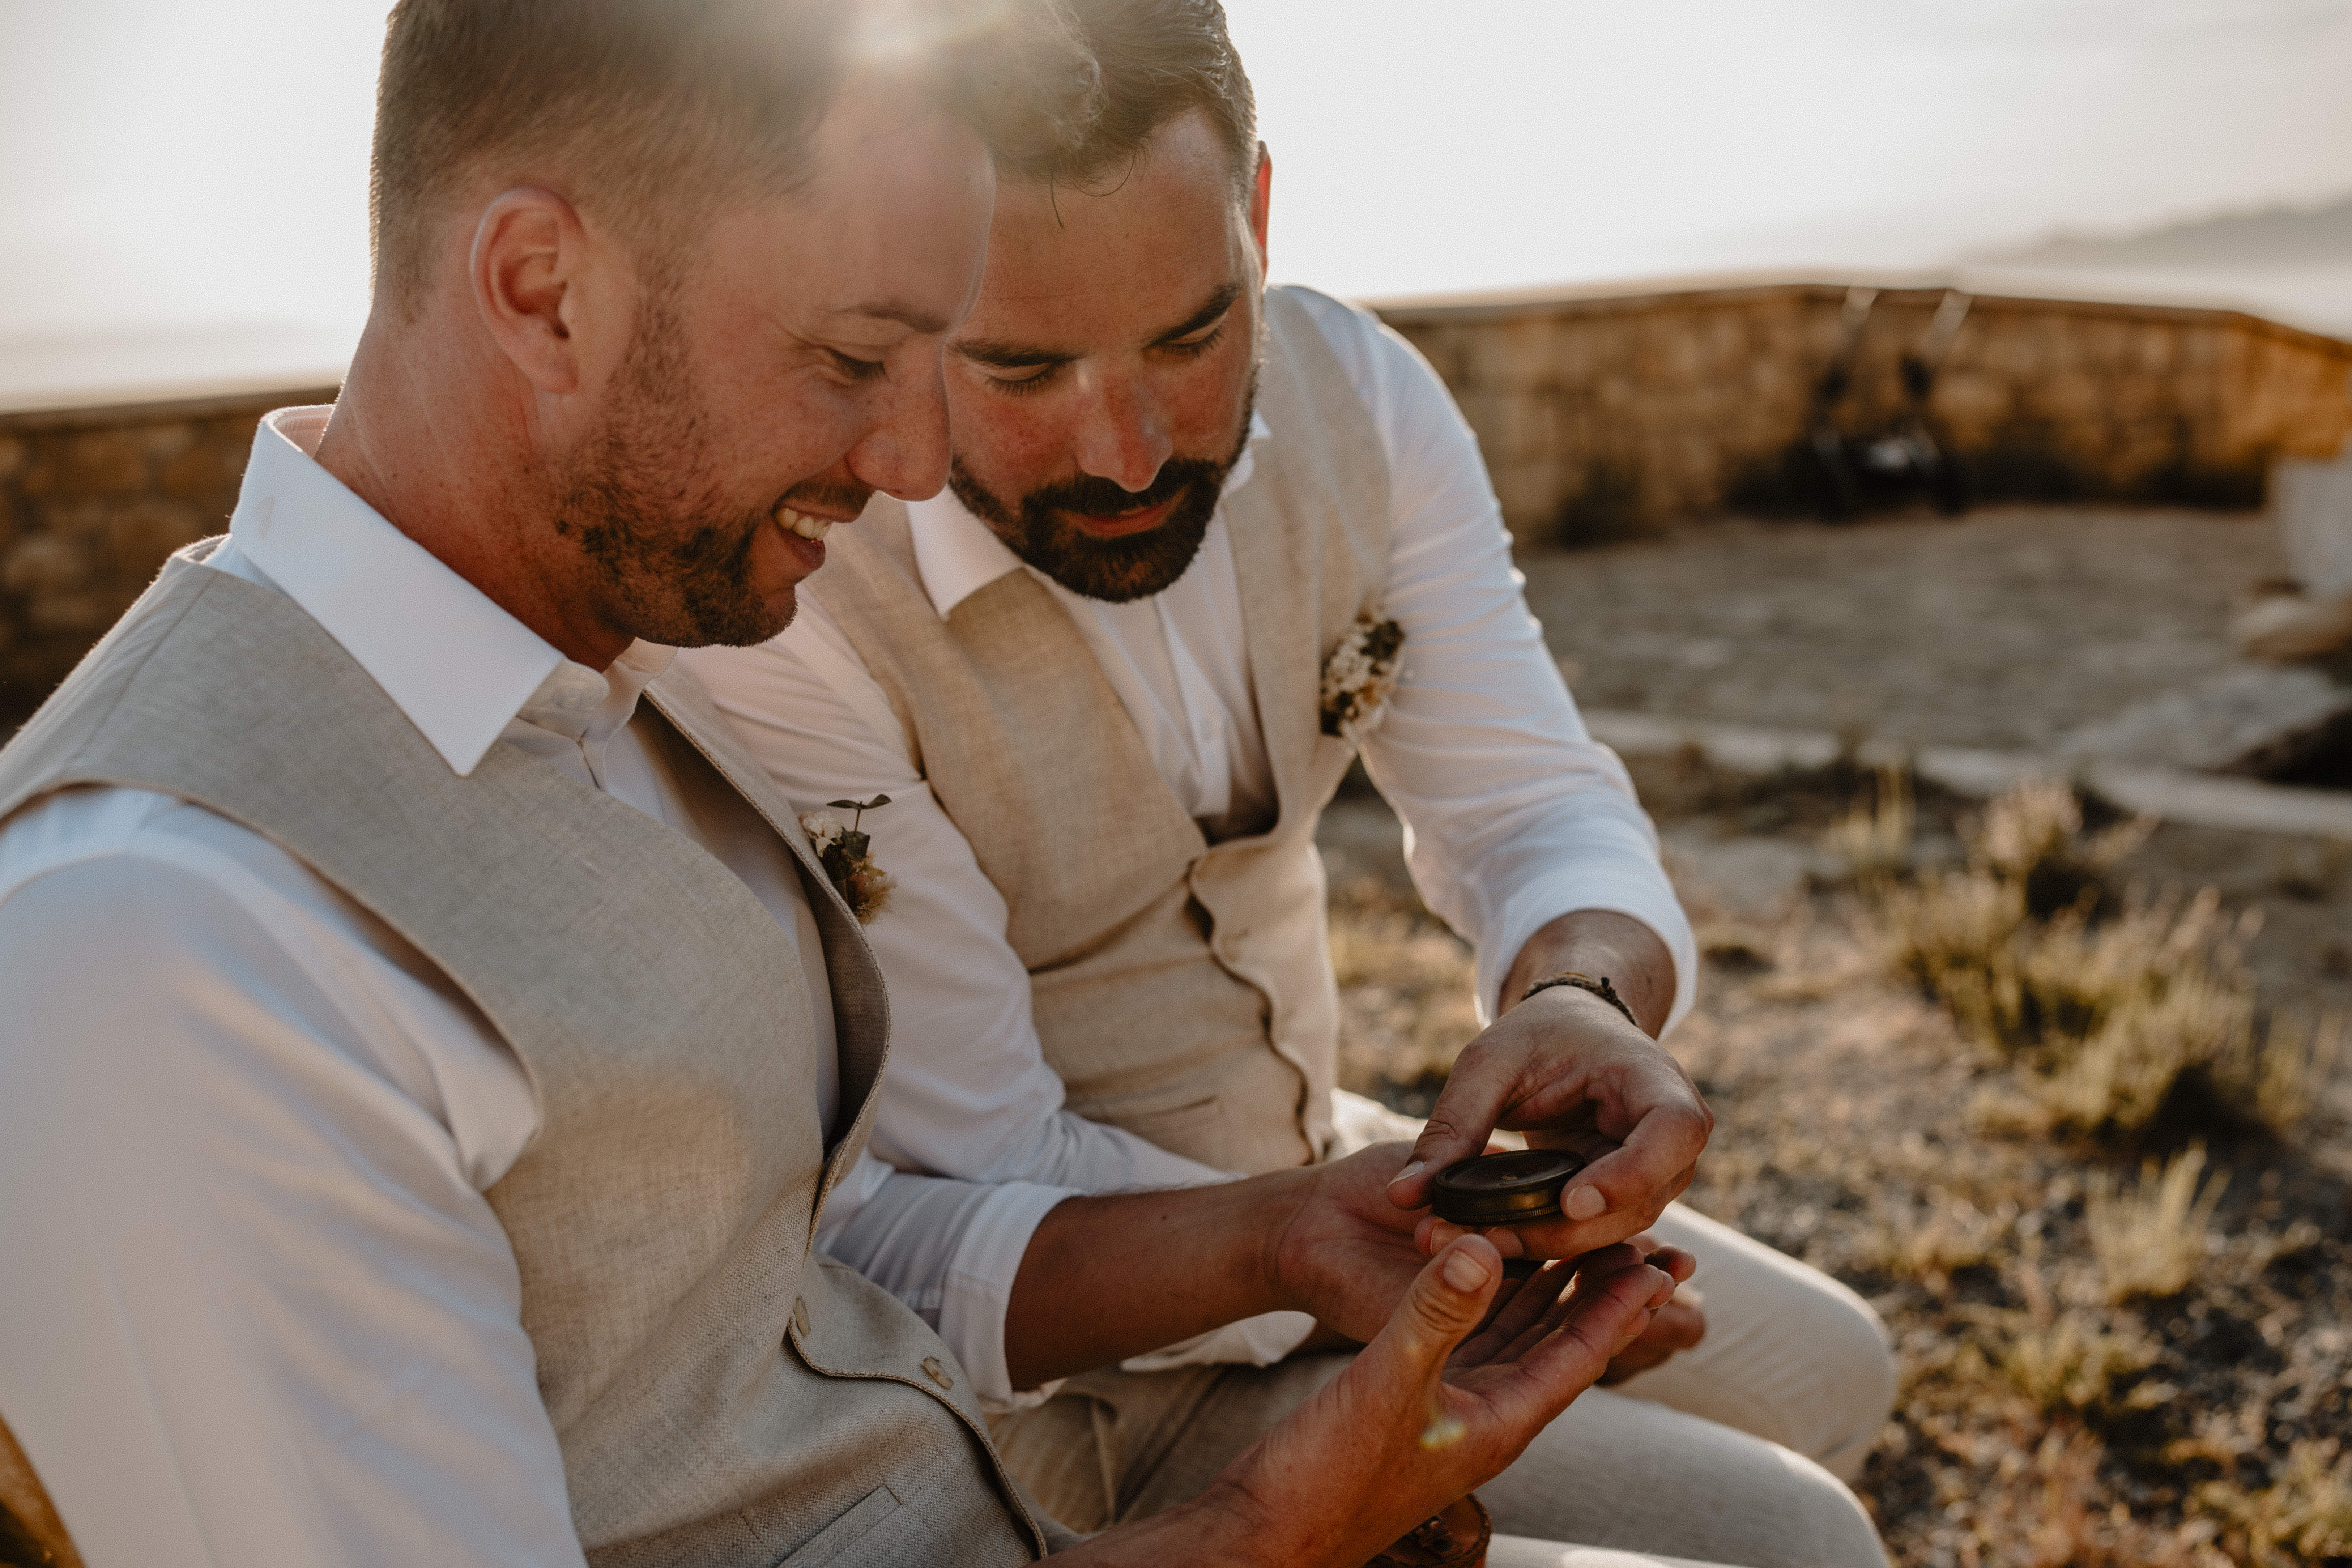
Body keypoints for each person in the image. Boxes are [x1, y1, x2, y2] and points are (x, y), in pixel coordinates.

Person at [0, 3, 1702, 1566]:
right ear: (540, 287)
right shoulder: (161, 941)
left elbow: (846, 1254)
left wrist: (1294, 1258)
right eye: (852, 357)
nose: (909, 465)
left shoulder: (613, 675)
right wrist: (1267, 1526)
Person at [679, 2, 1898, 1564]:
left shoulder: (1363, 399)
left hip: (1351, 1192)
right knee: (1809, 1547)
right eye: (1021, 366)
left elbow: (1532, 806)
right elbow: (961, 1182)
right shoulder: (801, 594)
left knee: (1835, 1369)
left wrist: (1585, 993)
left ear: (1257, 215)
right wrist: (1426, 1271)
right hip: (1068, 1384)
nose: (1123, 451)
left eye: (1190, 336)